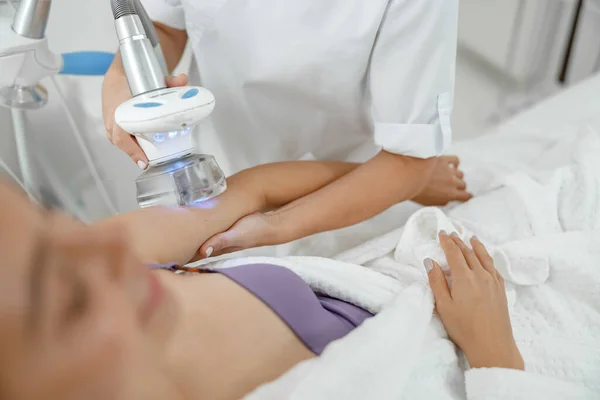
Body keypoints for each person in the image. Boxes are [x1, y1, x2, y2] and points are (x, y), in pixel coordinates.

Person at [0, 160, 523, 399]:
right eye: (71, 297)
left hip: (429, 271)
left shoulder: (115, 260)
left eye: (53, 221)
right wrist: (495, 354)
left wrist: (409, 179)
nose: (110, 245)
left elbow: (256, 189)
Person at [102, 0, 471, 256]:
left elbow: (408, 161)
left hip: (349, 199)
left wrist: (274, 223)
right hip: (217, 169)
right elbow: (166, 24)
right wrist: (121, 77)